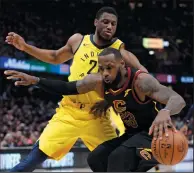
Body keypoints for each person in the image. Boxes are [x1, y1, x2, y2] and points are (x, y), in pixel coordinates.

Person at [5, 7, 147, 171]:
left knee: (115, 164)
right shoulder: (78, 41)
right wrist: (25, 47)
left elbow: (141, 75)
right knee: (32, 160)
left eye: (113, 24)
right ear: (96, 22)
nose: (109, 27)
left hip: (98, 116)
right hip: (69, 111)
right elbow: (55, 57)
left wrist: (111, 101)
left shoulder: (119, 50)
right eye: (105, 22)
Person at [5, 48, 186, 172]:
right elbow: (67, 88)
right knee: (96, 158)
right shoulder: (99, 82)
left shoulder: (141, 82)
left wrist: (165, 112)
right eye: (101, 68)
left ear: (122, 65)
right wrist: (36, 80)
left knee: (118, 157)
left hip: (154, 135)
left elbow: (178, 99)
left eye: (109, 68)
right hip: (132, 134)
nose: (105, 73)